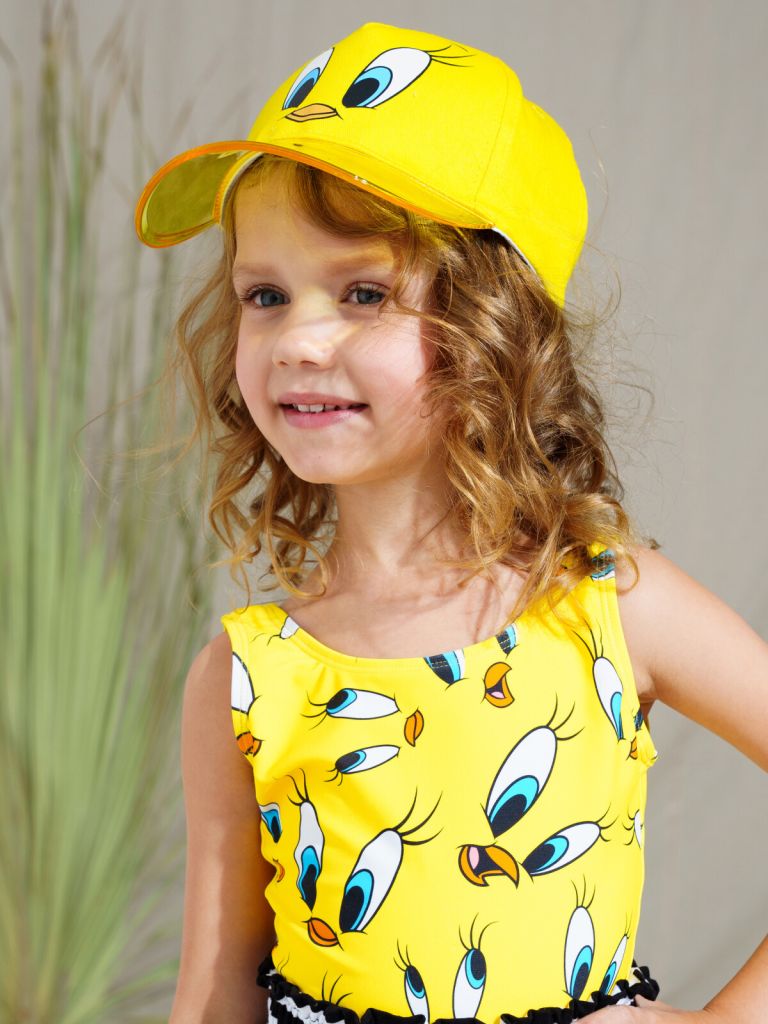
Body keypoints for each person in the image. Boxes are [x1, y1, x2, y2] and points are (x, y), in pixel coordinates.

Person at [134, 21, 767, 1024]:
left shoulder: (606, 606)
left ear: (494, 329)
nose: (297, 339)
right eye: (265, 294)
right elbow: (213, 995)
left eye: (363, 291)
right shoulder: (244, 677)